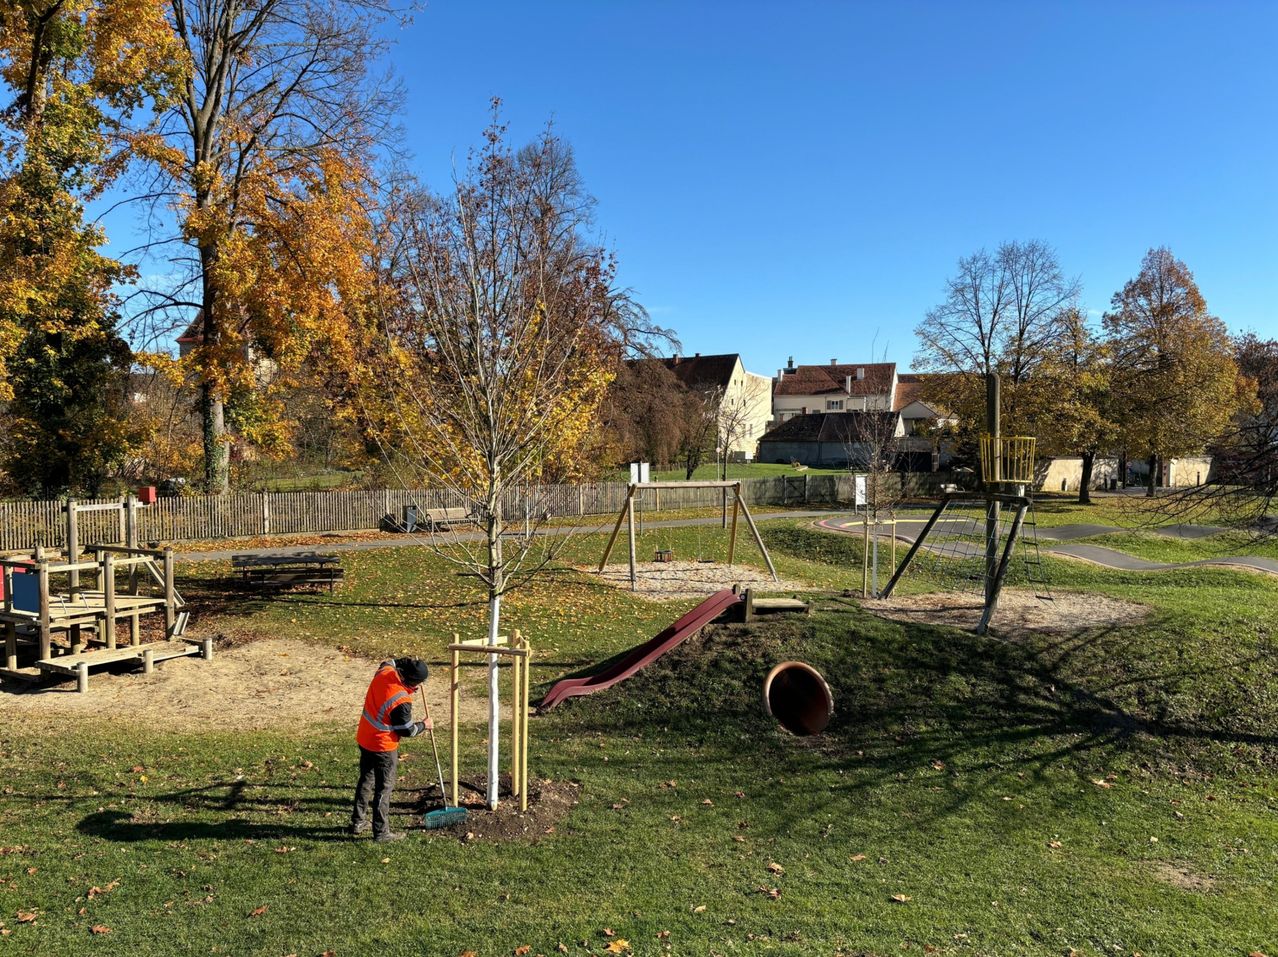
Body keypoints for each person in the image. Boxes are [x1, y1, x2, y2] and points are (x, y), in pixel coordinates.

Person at [350, 657, 431, 842]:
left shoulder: (384, 672)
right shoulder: (400, 700)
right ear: (410, 680)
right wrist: (424, 725)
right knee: (384, 788)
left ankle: (357, 822)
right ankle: (381, 832)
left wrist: (410, 662)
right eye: (418, 682)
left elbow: (390, 661)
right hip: (383, 747)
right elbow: (407, 730)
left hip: (365, 737)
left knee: (365, 780)